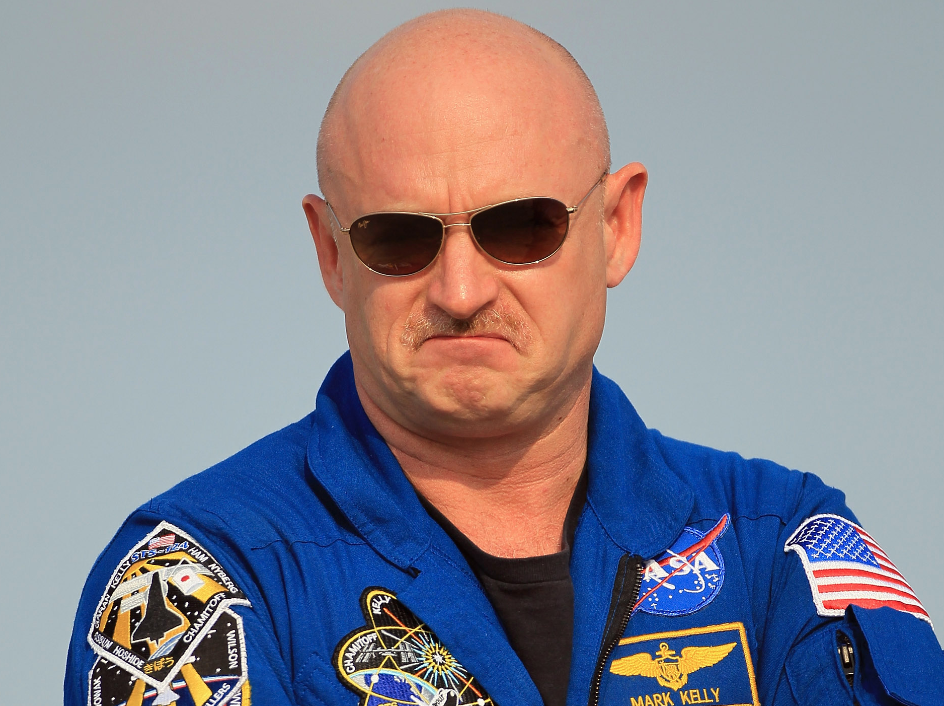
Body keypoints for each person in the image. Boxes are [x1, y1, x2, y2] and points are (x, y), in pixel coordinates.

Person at [66, 9, 943, 706]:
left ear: (617, 226)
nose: (459, 290)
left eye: (522, 227)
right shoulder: (194, 583)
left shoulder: (780, 547)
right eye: (398, 237)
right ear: (330, 252)